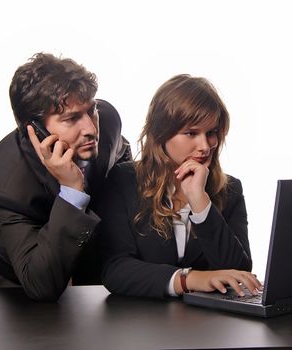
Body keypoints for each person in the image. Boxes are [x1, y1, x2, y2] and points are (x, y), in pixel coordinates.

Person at [0, 53, 131, 301]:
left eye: (91, 110)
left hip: (76, 268)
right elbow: (41, 284)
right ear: (36, 130)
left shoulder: (108, 120)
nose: (91, 129)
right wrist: (72, 190)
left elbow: (121, 155)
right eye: (71, 119)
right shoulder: (6, 181)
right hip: (7, 286)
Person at [96, 74, 261, 298]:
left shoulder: (230, 189)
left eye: (211, 133)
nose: (205, 146)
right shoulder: (123, 180)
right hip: (141, 324)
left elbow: (239, 272)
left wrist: (200, 202)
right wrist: (188, 279)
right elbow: (115, 269)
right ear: (161, 133)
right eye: (191, 133)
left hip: (211, 325)